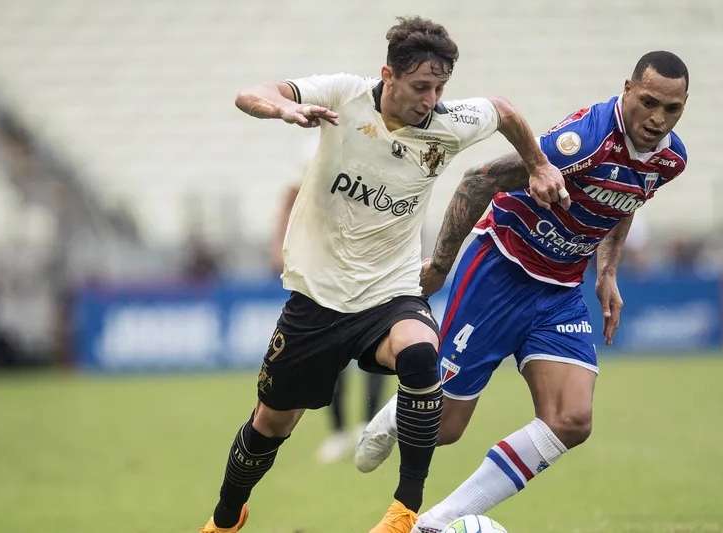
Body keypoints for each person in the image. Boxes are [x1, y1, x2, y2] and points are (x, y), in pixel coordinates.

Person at [199, 16, 566, 533]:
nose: (431, 99)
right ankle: (224, 517)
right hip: (318, 298)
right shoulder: (344, 96)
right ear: (387, 75)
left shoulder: (446, 121)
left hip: (390, 290)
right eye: (421, 86)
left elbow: (503, 111)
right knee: (270, 425)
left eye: (440, 87)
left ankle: (402, 511)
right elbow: (250, 93)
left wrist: (538, 164)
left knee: (421, 354)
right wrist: (284, 107)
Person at [355, 51, 690, 532]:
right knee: (445, 428)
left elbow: (626, 198)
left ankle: (432, 524)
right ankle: (401, 408)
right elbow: (478, 180)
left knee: (572, 420)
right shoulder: (584, 141)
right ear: (627, 89)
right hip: (500, 269)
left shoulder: (670, 159)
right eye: (649, 102)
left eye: (672, 109)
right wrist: (443, 265)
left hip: (559, 290)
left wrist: (607, 272)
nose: (658, 119)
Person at [273, 182, 388, 464]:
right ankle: (338, 432)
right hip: (328, 276)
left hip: (369, 271)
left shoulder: (370, 160)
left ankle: (368, 425)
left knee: (375, 352)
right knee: (330, 357)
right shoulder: (317, 160)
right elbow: (290, 198)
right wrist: (281, 245)